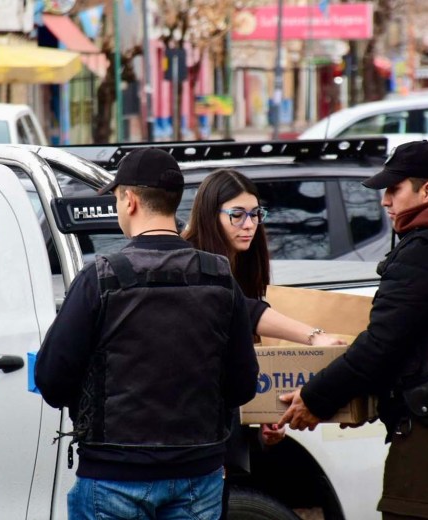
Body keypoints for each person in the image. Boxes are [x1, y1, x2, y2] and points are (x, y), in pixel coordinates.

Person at [278, 141, 428, 519]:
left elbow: (382, 344)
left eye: (394, 189)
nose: (385, 201)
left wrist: (315, 397)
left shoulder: (427, 250)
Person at [34, 148, 259, 519]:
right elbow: (242, 385)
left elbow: (51, 379)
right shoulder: (220, 278)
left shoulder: (100, 279)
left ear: (130, 199)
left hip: (113, 476)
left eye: (118, 199)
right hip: (198, 476)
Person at [182, 168, 345, 517]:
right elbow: (244, 310)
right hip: (193, 435)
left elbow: (241, 353)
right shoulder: (191, 262)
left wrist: (261, 423)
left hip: (222, 428)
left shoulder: (242, 263)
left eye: (255, 214)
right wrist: (314, 336)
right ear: (211, 215)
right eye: (237, 214)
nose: (249, 224)